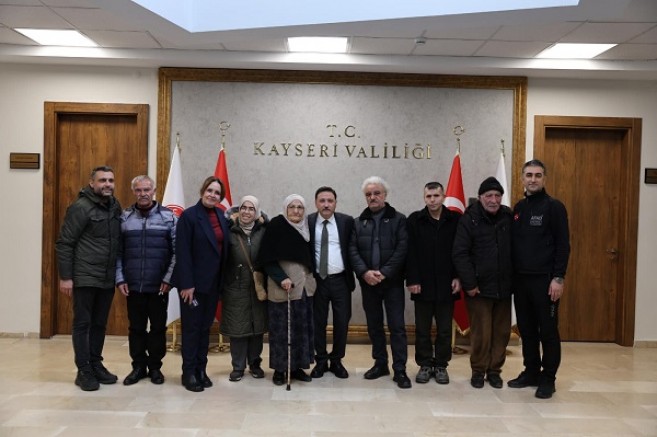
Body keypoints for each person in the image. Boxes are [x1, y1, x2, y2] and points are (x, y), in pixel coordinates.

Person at [56, 165, 122, 391]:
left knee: (99, 324)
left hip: (106, 277)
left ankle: (95, 364)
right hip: (84, 276)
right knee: (83, 324)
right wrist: (66, 276)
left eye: (110, 180)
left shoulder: (114, 205)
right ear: (92, 183)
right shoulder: (80, 207)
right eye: (102, 180)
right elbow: (65, 243)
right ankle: (83, 370)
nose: (107, 184)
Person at [509, 159, 570, 399]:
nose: (533, 179)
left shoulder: (554, 207)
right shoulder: (519, 208)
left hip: (545, 282)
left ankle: (548, 378)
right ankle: (531, 372)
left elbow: (563, 245)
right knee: (526, 330)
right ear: (522, 178)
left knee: (548, 331)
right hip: (521, 282)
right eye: (529, 175)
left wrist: (558, 278)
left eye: (537, 175)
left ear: (544, 179)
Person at [349, 176, 411, 389]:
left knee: (397, 327)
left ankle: (400, 369)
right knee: (374, 326)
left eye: (376, 193)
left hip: (392, 283)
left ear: (385, 195)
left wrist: (384, 272)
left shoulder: (399, 219)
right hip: (369, 283)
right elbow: (352, 250)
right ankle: (380, 364)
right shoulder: (358, 222)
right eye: (368, 194)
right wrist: (364, 272)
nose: (372, 197)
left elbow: (402, 249)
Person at [452, 176, 513, 390]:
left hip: (504, 288)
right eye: (489, 196)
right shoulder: (469, 219)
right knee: (481, 334)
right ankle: (478, 371)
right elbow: (460, 253)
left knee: (501, 333)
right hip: (478, 289)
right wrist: (469, 284)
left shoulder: (509, 216)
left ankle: (494, 371)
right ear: (480, 197)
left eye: (497, 195)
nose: (493, 200)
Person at [115, 175, 177, 386]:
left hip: (159, 286)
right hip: (133, 285)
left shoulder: (168, 217)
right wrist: (120, 278)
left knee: (158, 329)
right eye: (139, 190)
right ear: (134, 192)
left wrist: (168, 279)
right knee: (136, 328)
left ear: (154, 191)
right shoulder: (124, 218)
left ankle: (155, 368)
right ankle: (138, 367)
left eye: (147, 190)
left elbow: (177, 253)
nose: (143, 194)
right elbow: (118, 252)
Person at [172, 176, 230, 392]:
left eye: (217, 193)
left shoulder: (222, 216)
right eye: (209, 190)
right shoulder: (189, 216)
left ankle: (201, 370)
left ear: (220, 197)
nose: (212, 195)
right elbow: (183, 252)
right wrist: (187, 284)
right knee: (192, 329)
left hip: (213, 284)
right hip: (193, 285)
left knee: (205, 328)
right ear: (202, 191)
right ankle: (188, 373)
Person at [405, 182, 461, 385]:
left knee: (444, 329)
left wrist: (458, 277)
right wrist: (412, 279)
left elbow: (460, 250)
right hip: (422, 284)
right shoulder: (415, 220)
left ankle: (441, 365)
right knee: (422, 328)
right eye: (428, 196)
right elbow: (409, 252)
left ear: (443, 196)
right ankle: (425, 364)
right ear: (424, 198)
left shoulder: (455, 219)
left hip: (448, 283)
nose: (432, 200)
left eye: (436, 195)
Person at [258, 194, 316, 386]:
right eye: (292, 207)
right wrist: (281, 277)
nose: (296, 211)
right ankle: (279, 369)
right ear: (285, 208)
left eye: (300, 207)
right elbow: (266, 258)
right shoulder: (277, 225)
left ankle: (297, 367)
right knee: (281, 331)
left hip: (303, 288)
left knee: (300, 330)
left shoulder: (307, 229)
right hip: (282, 287)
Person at [308, 187, 355, 379]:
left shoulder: (346, 222)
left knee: (342, 322)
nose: (326, 204)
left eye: (330, 201)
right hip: (317, 281)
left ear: (335, 203)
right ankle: (320, 360)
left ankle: (336, 361)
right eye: (322, 201)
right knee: (317, 322)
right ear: (316, 203)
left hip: (341, 281)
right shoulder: (308, 222)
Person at [221, 195, 268, 382]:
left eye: (251, 209)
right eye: (243, 208)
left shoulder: (263, 231)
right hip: (235, 287)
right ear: (238, 210)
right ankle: (238, 367)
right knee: (238, 329)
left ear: (257, 213)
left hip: (258, 286)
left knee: (257, 327)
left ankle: (255, 364)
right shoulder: (229, 231)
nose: (247, 212)